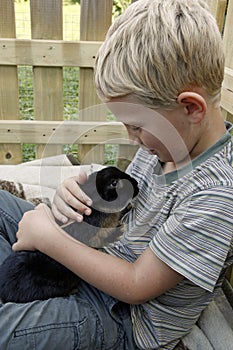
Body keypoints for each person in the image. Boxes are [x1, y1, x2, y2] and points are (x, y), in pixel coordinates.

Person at [0, 0, 233, 349]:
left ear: (190, 107)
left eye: (137, 126)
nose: (131, 138)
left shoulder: (215, 195)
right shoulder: (169, 144)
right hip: (98, 256)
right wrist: (72, 194)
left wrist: (50, 239)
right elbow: (124, 205)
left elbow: (137, 285)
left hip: (122, 316)